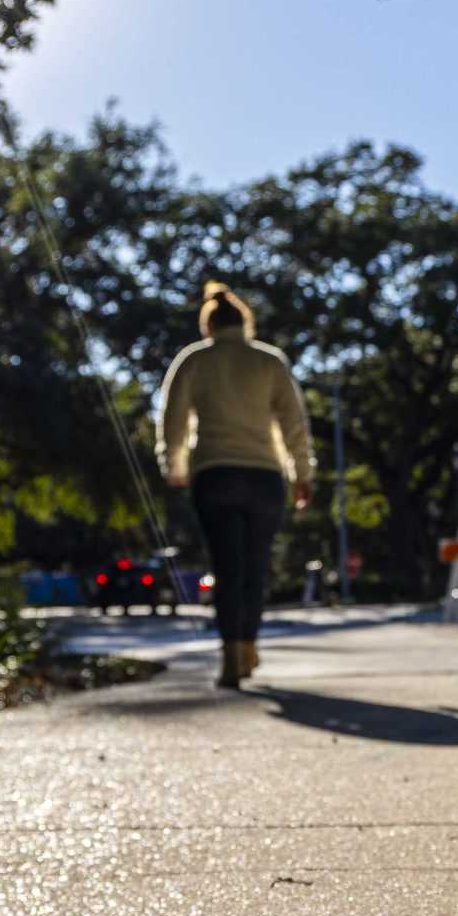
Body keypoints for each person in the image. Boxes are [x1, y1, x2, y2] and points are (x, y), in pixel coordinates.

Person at [158, 282, 315, 689]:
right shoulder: (269, 361)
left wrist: (173, 465)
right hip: (264, 475)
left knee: (227, 567)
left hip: (215, 474)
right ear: (245, 322)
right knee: (256, 566)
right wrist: (303, 474)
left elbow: (173, 419)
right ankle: (247, 645)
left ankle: (232, 655)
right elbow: (294, 424)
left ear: (208, 326)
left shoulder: (193, 359)